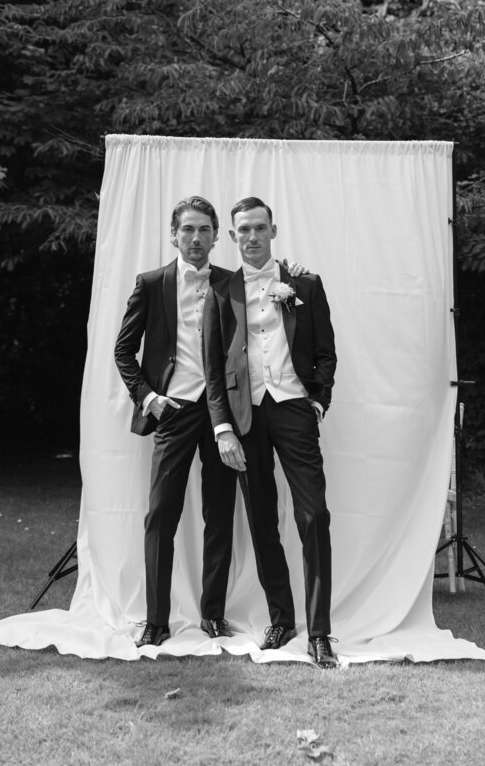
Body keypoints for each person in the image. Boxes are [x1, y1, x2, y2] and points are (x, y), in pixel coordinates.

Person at [203, 196, 338, 668]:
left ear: (273, 231)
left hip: (294, 409)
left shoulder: (305, 282)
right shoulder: (220, 290)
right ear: (233, 237)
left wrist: (317, 401)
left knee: (313, 516)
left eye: (260, 228)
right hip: (245, 417)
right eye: (243, 230)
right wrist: (223, 427)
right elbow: (213, 369)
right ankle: (282, 617)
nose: (252, 237)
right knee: (261, 518)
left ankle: (320, 633)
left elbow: (326, 352)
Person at [114, 196, 235, 648]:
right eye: (188, 229)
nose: (196, 238)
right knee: (160, 515)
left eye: (204, 229)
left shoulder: (231, 283)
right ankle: (156, 619)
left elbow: (266, 308)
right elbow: (123, 351)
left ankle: (214, 615)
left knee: (220, 514)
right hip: (173, 410)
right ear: (173, 234)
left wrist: (294, 273)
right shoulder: (151, 283)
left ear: (216, 235)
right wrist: (148, 398)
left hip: (221, 413)